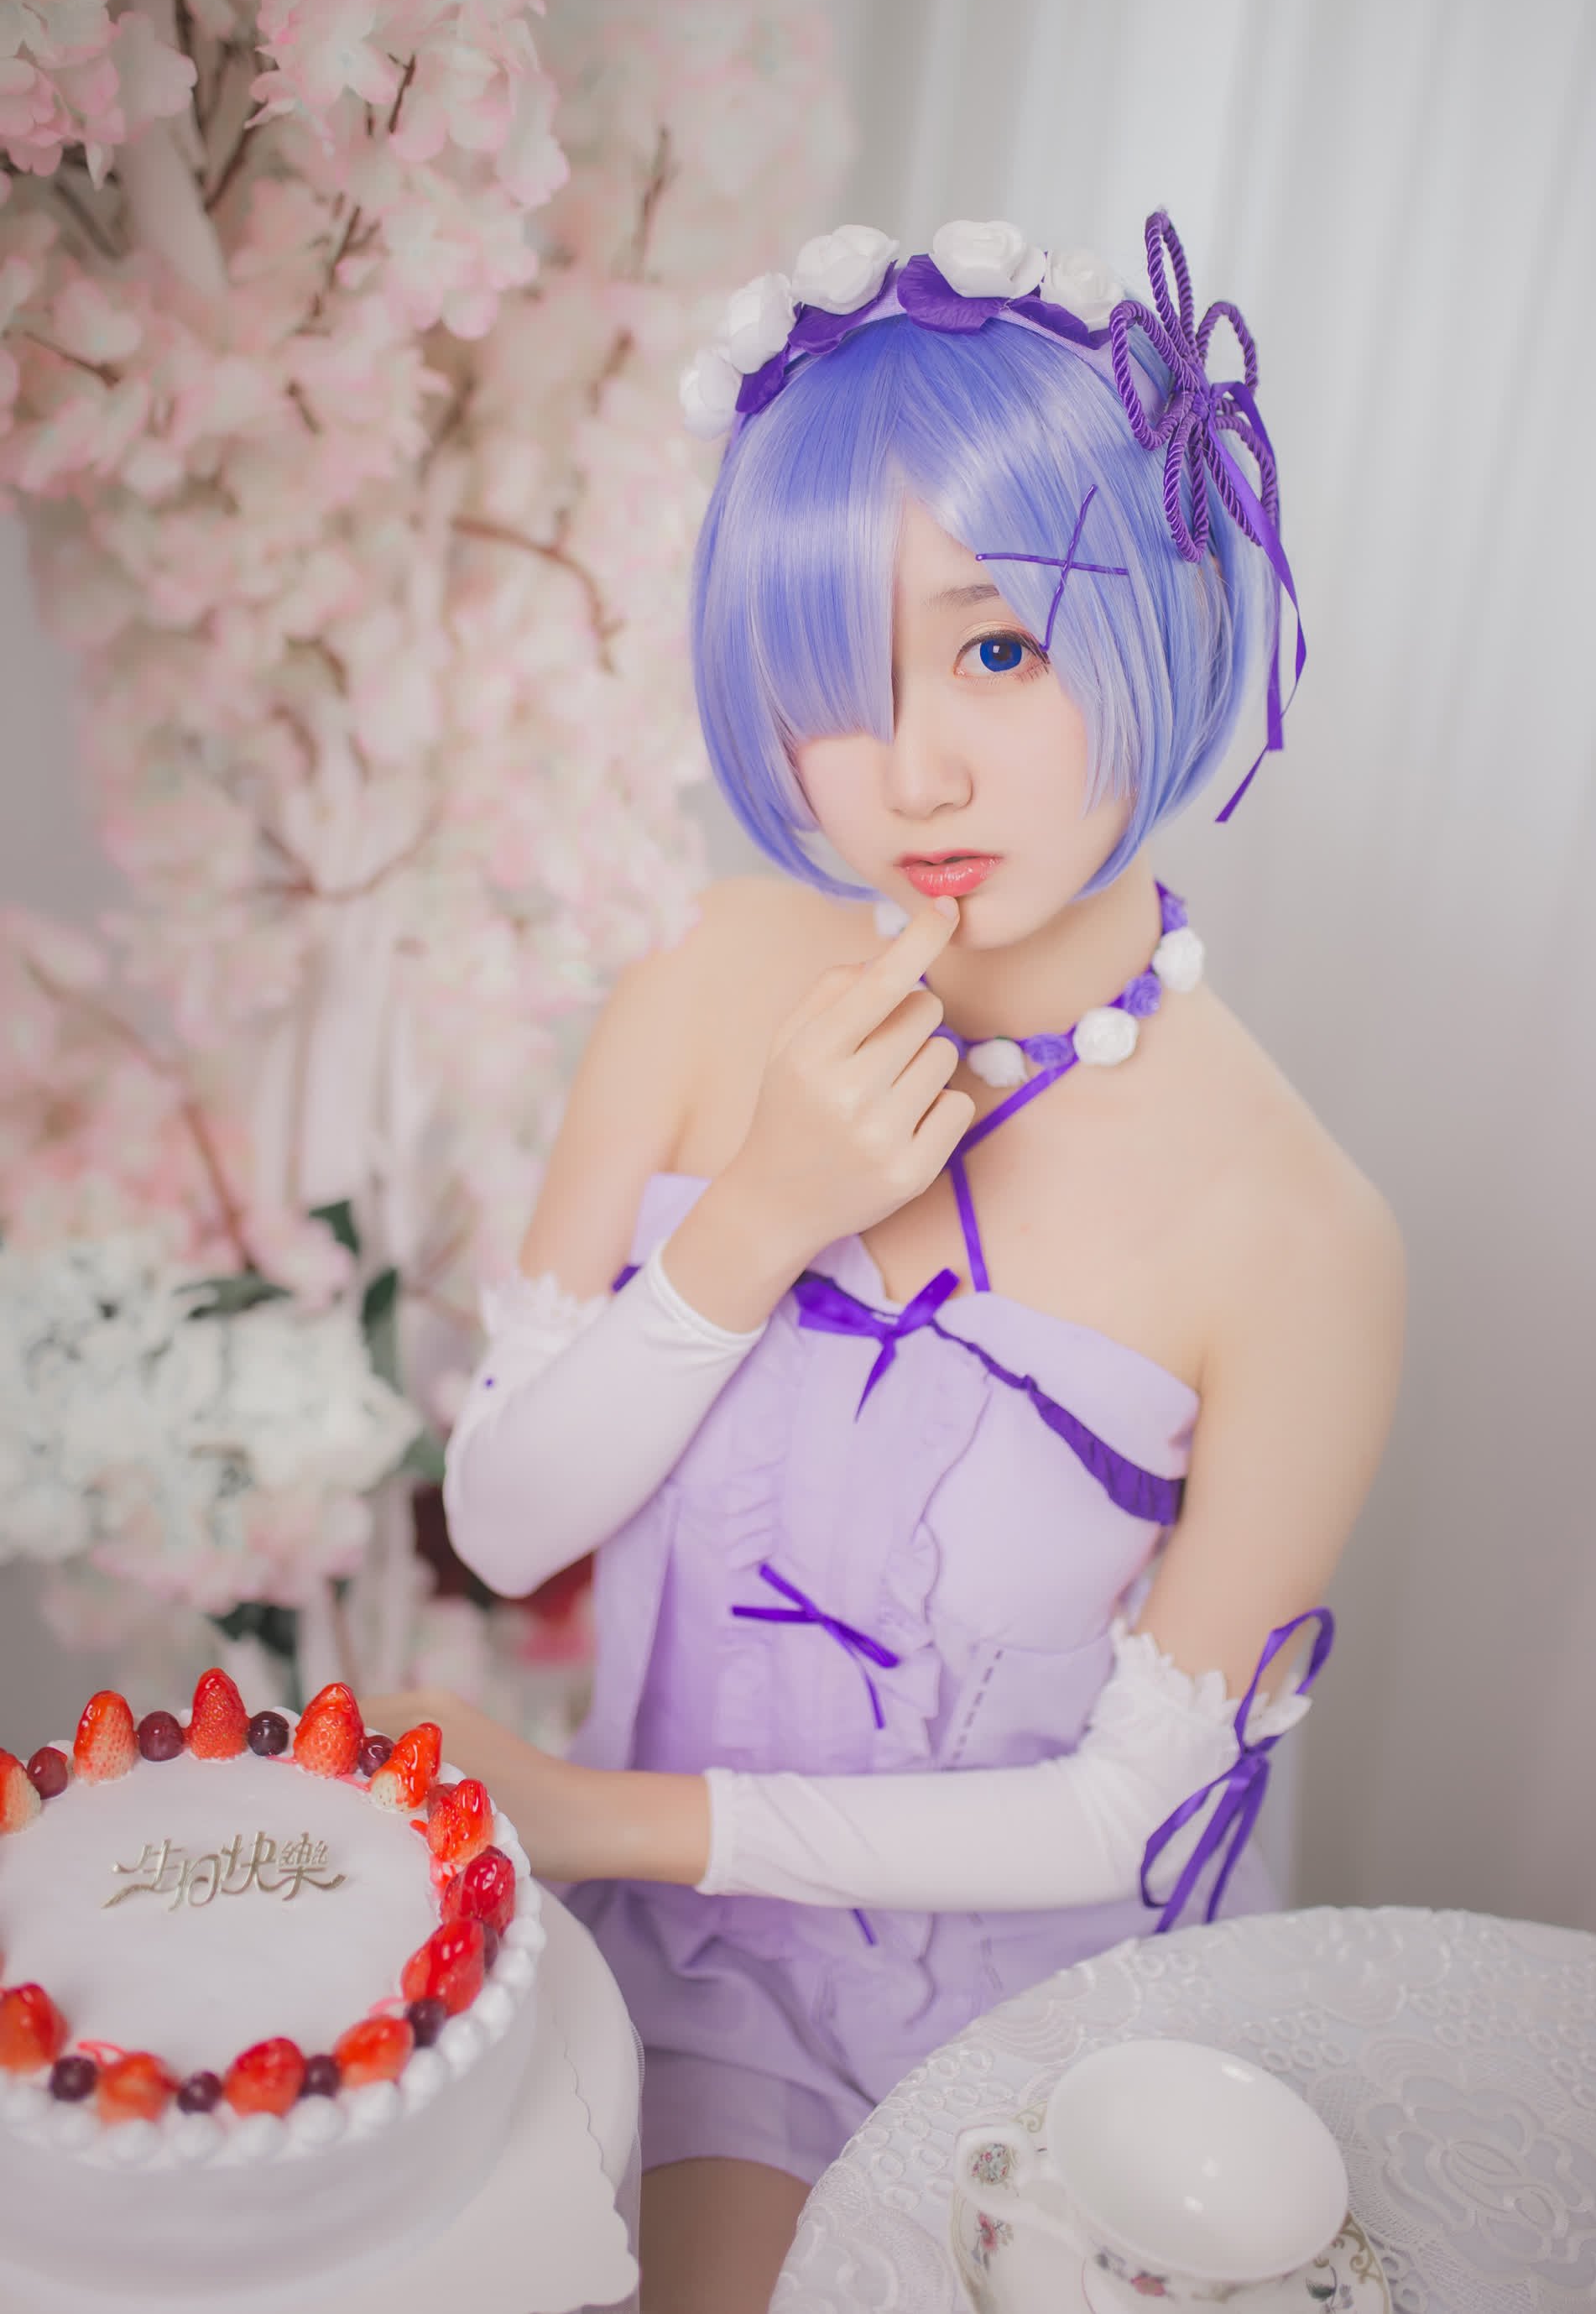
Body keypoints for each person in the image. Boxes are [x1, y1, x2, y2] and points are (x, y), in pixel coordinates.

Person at [367, 212, 1406, 2314]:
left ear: (1163, 606)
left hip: (1036, 2036)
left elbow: (1126, 1813)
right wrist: (756, 1215)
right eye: (838, 685)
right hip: (666, 1977)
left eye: (996, 649)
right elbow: (505, 1519)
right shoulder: (704, 980)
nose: (910, 771)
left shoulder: (1300, 1232)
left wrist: (614, 1816)